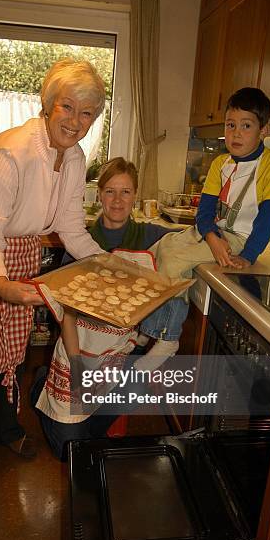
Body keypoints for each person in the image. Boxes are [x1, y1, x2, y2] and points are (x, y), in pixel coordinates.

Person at [0, 59, 107, 506]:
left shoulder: (75, 158)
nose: (75, 120)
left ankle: (3, 428)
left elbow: (70, 227)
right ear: (48, 105)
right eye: (67, 107)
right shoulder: (12, 154)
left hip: (18, 245)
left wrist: (110, 263)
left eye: (87, 112)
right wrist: (0, 284)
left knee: (11, 345)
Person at [134, 87, 270, 372]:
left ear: (264, 130)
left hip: (240, 240)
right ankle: (151, 325)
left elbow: (268, 219)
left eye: (246, 126)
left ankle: (167, 337)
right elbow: (204, 213)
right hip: (215, 233)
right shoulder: (221, 163)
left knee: (173, 260)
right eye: (231, 125)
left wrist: (250, 255)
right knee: (158, 250)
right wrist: (212, 238)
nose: (236, 133)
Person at [31, 157, 178, 460]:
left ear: (135, 195)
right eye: (110, 191)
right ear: (98, 194)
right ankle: (39, 385)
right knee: (69, 452)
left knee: (132, 391)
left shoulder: (151, 237)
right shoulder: (81, 241)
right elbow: (67, 314)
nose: (117, 200)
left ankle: (88, 428)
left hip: (120, 352)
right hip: (80, 349)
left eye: (125, 192)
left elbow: (188, 249)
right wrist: (76, 368)